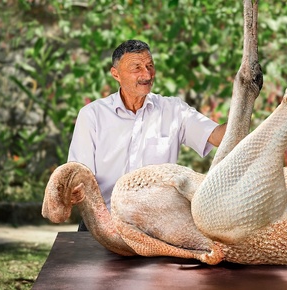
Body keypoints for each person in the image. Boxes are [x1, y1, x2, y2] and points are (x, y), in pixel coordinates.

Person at [68, 39, 226, 231]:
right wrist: (75, 192)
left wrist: (245, 99)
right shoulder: (92, 115)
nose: (147, 74)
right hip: (102, 225)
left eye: (150, 66)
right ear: (116, 74)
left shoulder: (173, 110)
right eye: (137, 67)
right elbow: (80, 174)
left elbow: (218, 136)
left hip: (158, 228)